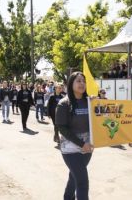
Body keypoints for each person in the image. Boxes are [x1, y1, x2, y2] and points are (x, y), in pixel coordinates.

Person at [56, 72, 94, 200]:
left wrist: (97, 103)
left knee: (74, 176)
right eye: (78, 81)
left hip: (88, 147)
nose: (82, 83)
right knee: (82, 181)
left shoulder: (90, 101)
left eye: (83, 81)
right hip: (70, 148)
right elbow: (62, 128)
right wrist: (81, 144)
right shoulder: (63, 104)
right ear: (71, 84)